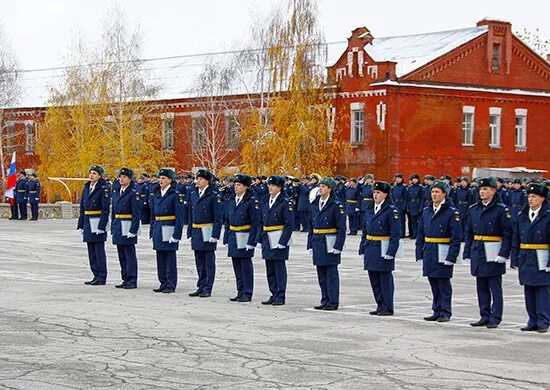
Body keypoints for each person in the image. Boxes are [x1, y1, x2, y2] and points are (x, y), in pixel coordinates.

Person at [463, 177, 512, 328]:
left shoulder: (501, 209)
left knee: (494, 286)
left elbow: (507, 233)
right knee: (481, 285)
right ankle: (484, 315)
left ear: (493, 191)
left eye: (485, 189)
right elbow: (469, 232)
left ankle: (495, 317)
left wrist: (503, 254)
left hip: (493, 250)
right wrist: (467, 251)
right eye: (481, 189)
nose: (482, 192)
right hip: (478, 250)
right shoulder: (474, 209)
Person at [416, 180, 462, 322]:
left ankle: (445, 311)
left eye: (437, 192)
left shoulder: (451, 212)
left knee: (443, 283)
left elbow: (456, 237)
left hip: (442, 250)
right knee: (433, 281)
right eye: (432, 192)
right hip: (429, 249)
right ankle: (436, 309)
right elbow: (421, 233)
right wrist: (419, 252)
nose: (434, 194)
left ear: (444, 194)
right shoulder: (427, 210)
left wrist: (451, 256)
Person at [511, 182, 550, 333]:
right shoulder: (522, 215)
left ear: (542, 199)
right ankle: (532, 319)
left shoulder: (547, 216)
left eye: (534, 196)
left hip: (542, 256)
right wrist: (514, 258)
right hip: (526, 256)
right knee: (529, 289)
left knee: (542, 290)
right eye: (529, 196)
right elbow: (516, 238)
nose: (530, 199)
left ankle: (543, 320)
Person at [360, 181, 401, 316]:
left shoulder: (391, 210)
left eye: (378, 192)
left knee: (385, 279)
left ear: (385, 194)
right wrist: (362, 247)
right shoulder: (370, 208)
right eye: (374, 192)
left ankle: (388, 306)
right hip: (371, 247)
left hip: (383, 247)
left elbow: (395, 234)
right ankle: (380, 305)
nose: (375, 195)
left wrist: (391, 251)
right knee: (374, 278)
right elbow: (365, 230)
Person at [308, 177, 346, 311]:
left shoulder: (336, 205)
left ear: (330, 189)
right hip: (317, 241)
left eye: (323, 186)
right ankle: (324, 299)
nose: (320, 189)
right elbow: (310, 226)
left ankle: (333, 301)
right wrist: (310, 244)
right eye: (320, 186)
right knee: (321, 275)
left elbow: (341, 228)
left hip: (329, 241)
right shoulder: (314, 204)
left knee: (331, 275)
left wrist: (338, 246)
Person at [223, 174, 260, 302]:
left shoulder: (251, 201)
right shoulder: (232, 200)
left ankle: (247, 292)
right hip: (233, 234)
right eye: (235, 185)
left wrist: (252, 241)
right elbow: (228, 220)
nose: (236, 187)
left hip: (245, 234)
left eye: (239, 185)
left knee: (245, 265)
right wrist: (226, 238)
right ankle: (240, 291)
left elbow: (256, 222)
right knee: (236, 264)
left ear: (245, 187)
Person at [259, 175, 295, 306]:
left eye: (273, 186)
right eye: (269, 185)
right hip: (267, 237)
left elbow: (289, 224)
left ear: (279, 188)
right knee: (269, 268)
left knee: (279, 268)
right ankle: (273, 293)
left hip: (279, 237)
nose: (270, 188)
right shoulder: (265, 200)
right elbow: (260, 220)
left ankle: (280, 294)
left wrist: (283, 242)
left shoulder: (285, 202)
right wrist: (260, 238)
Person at [187, 169, 223, 298]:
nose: (198, 181)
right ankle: (200, 285)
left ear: (207, 181)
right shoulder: (193, 194)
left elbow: (218, 217)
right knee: (199, 261)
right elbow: (191, 214)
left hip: (207, 231)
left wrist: (215, 234)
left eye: (201, 179)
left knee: (208, 261)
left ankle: (208, 287)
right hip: (197, 231)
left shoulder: (213, 195)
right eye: (197, 179)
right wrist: (190, 231)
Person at [150, 168, 185, 293]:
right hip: (158, 227)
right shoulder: (156, 193)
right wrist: (152, 230)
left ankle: (170, 283)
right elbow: (152, 214)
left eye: (163, 178)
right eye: (159, 178)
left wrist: (177, 234)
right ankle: (163, 282)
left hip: (169, 227)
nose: (160, 180)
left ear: (170, 180)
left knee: (169, 256)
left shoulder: (175, 194)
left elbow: (180, 217)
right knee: (160, 256)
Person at [77, 165, 111, 285]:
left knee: (99, 251)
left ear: (100, 176)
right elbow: (82, 208)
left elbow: (105, 209)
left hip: (97, 220)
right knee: (91, 250)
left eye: (94, 173)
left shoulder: (103, 188)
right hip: (87, 220)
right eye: (90, 173)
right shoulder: (87, 187)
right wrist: (80, 224)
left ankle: (102, 276)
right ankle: (95, 274)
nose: (91, 175)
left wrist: (102, 226)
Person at [111, 168, 141, 289]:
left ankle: (132, 279)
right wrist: (113, 226)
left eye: (124, 177)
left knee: (129, 254)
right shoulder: (117, 192)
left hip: (127, 224)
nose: (121, 179)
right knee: (121, 254)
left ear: (129, 179)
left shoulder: (133, 193)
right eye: (120, 177)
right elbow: (114, 211)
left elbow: (136, 213)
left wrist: (133, 230)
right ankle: (125, 278)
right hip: (118, 224)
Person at [391, 173, 408, 238]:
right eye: (397, 178)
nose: (397, 180)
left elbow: (406, 197)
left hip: (401, 205)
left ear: (401, 179)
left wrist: (404, 206)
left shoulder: (404, 187)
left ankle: (402, 233)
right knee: (395, 219)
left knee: (401, 220)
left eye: (399, 178)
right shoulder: (394, 187)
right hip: (395, 204)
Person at [407, 174, 423, 239]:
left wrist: (421, 207)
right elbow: (408, 198)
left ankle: (419, 235)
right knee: (413, 222)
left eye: (416, 179)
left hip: (418, 205)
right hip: (412, 206)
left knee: (419, 222)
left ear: (418, 180)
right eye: (413, 179)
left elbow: (422, 198)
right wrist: (408, 207)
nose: (414, 180)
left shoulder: (420, 187)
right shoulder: (409, 188)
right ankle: (414, 234)